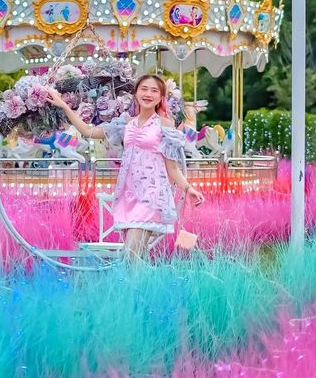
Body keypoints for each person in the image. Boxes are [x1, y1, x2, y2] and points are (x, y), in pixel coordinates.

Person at [47, 74, 205, 261]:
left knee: (131, 254)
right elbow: (88, 131)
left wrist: (189, 188)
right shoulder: (125, 124)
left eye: (154, 90)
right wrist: (64, 106)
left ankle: (133, 289)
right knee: (136, 256)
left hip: (151, 196)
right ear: (136, 93)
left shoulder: (166, 126)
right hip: (128, 195)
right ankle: (145, 289)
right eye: (144, 89)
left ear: (161, 97)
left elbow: (173, 168)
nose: (148, 94)